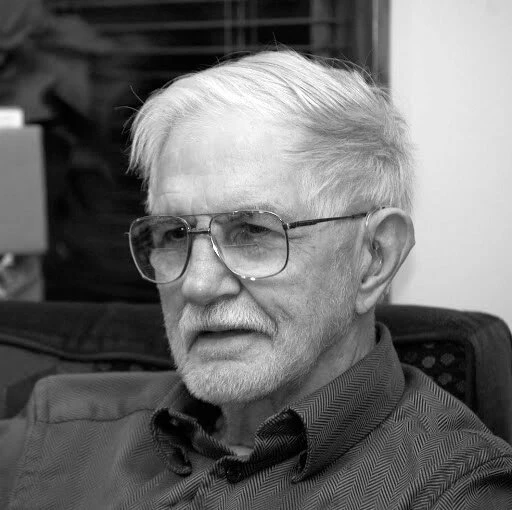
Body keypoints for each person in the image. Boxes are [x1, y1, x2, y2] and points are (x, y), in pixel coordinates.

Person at [2, 49, 512, 509]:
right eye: (174, 235)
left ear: (374, 259)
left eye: (252, 231)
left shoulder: (453, 491)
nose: (198, 286)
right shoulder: (60, 421)